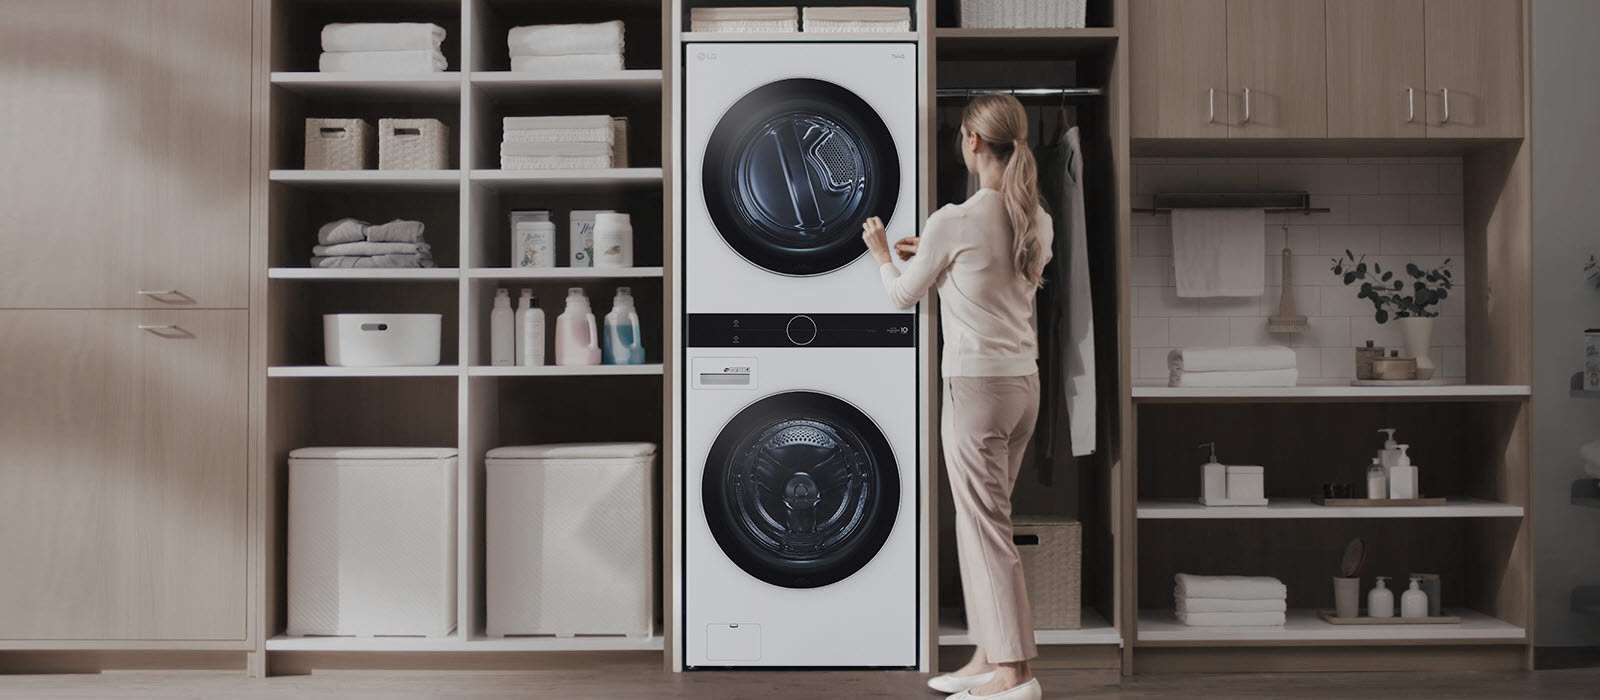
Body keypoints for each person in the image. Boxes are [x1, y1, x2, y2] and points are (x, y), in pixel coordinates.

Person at [862, 93, 1052, 700]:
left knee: (985, 529)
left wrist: (883, 255)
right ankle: (985, 657)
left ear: (971, 141)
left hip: (976, 392)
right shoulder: (1036, 219)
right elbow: (988, 276)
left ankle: (1015, 674)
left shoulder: (953, 219)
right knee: (983, 525)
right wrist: (936, 255)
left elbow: (901, 298)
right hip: (1024, 388)